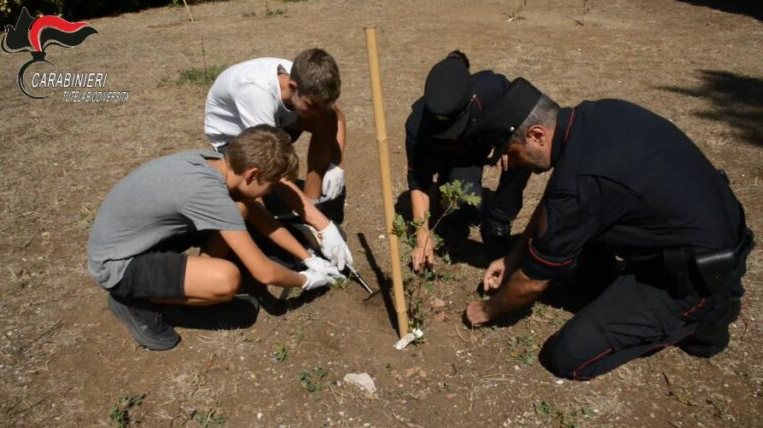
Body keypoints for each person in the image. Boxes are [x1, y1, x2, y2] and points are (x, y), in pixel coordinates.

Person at [464, 78, 754, 380]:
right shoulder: (592, 117)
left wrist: (487, 310)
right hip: (710, 226)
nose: (506, 165)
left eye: (508, 153)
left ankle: (705, 318)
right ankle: (610, 286)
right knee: (584, 253)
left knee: (566, 357)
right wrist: (513, 257)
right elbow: (557, 200)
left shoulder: (580, 186)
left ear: (536, 135)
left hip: (696, 276)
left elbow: (533, 282)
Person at [87, 125, 345, 351]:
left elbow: (259, 217)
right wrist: (307, 279)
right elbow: (264, 273)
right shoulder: (208, 193)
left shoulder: (216, 164)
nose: (270, 191)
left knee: (242, 207)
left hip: (135, 238)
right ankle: (134, 302)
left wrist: (308, 257)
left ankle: (192, 276)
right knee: (226, 279)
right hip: (117, 265)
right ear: (252, 174)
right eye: (271, 184)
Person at [205, 48, 353, 269]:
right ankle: (262, 241)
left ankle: (309, 207)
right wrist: (325, 226)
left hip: (276, 123)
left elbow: (335, 116)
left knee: (324, 120)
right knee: (254, 194)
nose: (315, 111)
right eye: (311, 106)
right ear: (292, 87)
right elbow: (268, 163)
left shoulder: (306, 80)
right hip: (235, 138)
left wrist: (336, 166)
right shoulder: (255, 93)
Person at [405, 51, 531, 272]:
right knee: (462, 206)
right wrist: (422, 235)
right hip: (457, 159)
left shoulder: (492, 89)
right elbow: (419, 181)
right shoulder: (418, 125)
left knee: (526, 153)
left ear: (472, 99)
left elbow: (531, 116)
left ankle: (500, 219)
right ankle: (453, 187)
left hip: (483, 141)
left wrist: (510, 141)